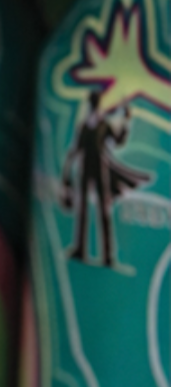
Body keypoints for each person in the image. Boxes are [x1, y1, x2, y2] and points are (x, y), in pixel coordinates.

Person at [62, 88, 149, 267]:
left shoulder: (103, 125)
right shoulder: (85, 126)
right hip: (85, 169)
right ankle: (80, 249)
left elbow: (117, 141)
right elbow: (76, 149)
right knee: (83, 210)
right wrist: (67, 172)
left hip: (100, 169)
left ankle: (108, 255)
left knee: (103, 210)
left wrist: (125, 122)